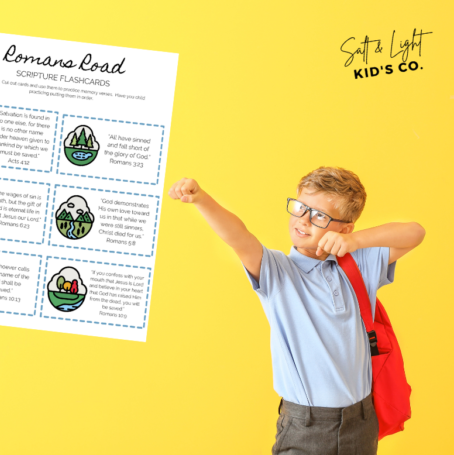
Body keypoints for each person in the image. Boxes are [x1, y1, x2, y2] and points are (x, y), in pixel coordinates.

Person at [168, 167, 425, 455]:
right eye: (301, 207)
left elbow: (415, 232)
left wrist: (356, 243)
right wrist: (202, 199)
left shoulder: (358, 266)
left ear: (345, 228)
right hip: (306, 428)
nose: (303, 220)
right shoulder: (278, 272)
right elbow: (238, 236)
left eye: (319, 216)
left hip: (361, 422)